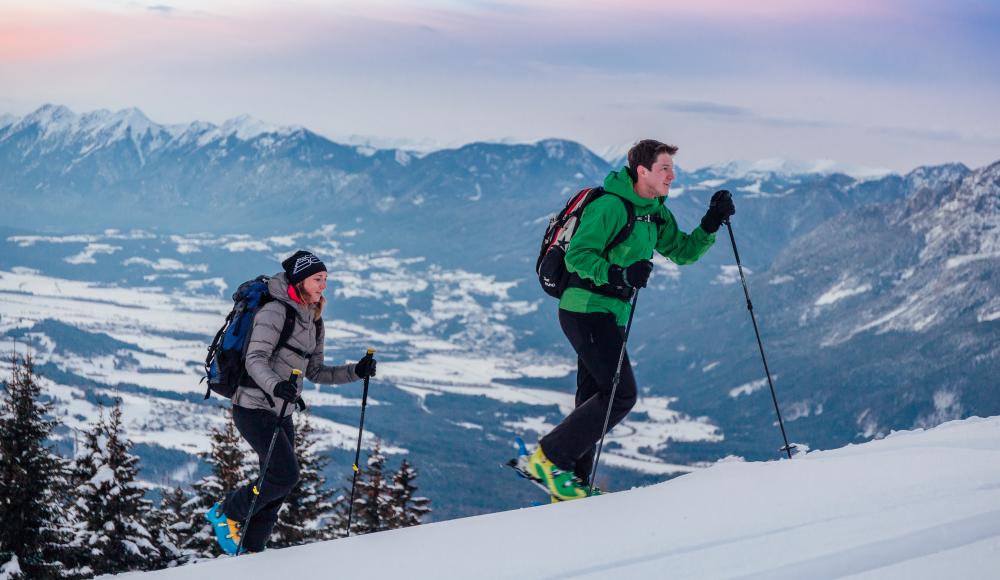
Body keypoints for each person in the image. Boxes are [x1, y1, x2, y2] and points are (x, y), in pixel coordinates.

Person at [525, 139, 735, 501]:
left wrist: (711, 222)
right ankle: (548, 459)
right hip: (585, 309)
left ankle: (570, 486)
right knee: (621, 394)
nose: (672, 174)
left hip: (611, 313)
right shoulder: (610, 206)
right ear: (642, 171)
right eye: (664, 168)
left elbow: (683, 252)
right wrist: (620, 274)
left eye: (672, 167)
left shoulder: (655, 212)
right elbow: (578, 257)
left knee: (593, 396)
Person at [207, 250, 377, 553]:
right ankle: (227, 511)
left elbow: (315, 371)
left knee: (276, 482)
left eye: (325, 279)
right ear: (300, 280)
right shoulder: (274, 312)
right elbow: (255, 360)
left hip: (280, 409)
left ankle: (251, 547)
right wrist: (278, 386)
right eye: (317, 279)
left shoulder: (314, 319)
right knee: (285, 474)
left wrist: (355, 371)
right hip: (252, 406)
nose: (323, 285)